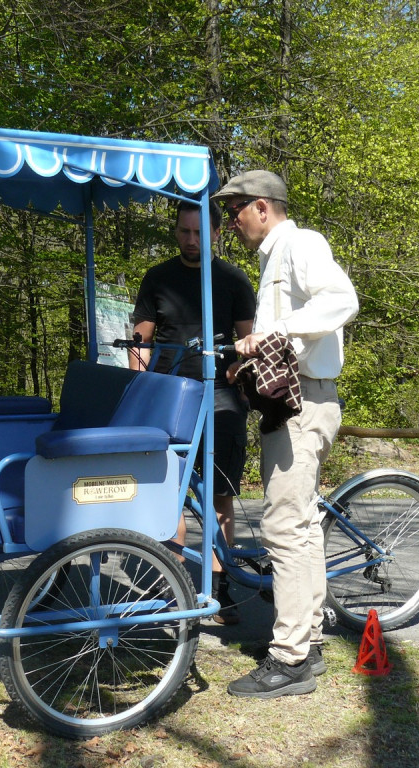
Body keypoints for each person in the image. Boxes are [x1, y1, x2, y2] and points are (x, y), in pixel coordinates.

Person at [212, 170, 359, 698]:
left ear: (262, 207)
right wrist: (246, 363)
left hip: (305, 402)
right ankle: (309, 642)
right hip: (292, 400)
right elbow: (287, 343)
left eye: (235, 211)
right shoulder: (272, 257)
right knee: (301, 527)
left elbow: (342, 300)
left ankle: (290, 659)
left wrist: (274, 330)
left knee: (284, 528)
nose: (231, 221)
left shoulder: (301, 243)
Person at [129, 199, 256, 624]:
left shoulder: (233, 280)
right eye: (184, 231)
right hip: (168, 398)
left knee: (219, 496)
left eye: (199, 232)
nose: (191, 240)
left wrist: (244, 384)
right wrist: (140, 391)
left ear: (216, 233)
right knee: (168, 492)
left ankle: (220, 588)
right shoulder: (157, 278)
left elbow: (249, 344)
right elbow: (140, 342)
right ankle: (174, 585)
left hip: (221, 398)